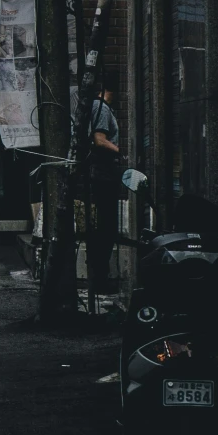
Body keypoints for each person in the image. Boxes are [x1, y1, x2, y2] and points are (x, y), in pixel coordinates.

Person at [83, 86, 122, 295]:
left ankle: (99, 278)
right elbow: (99, 139)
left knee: (103, 228)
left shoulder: (95, 107)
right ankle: (100, 280)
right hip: (104, 174)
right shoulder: (102, 107)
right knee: (107, 228)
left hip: (99, 174)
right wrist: (121, 152)